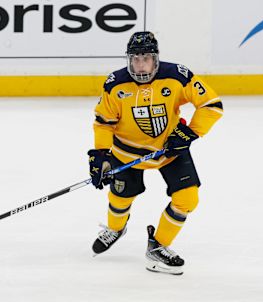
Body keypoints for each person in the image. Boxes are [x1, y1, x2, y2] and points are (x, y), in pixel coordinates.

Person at [87, 31, 223, 275]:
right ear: (128, 59)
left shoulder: (176, 76)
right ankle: (115, 229)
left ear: (156, 59)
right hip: (126, 154)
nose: (140, 65)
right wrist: (100, 155)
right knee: (119, 201)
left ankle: (157, 246)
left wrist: (189, 133)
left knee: (188, 199)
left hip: (170, 149)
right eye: (135, 59)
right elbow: (104, 122)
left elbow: (211, 105)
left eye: (145, 59)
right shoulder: (115, 84)